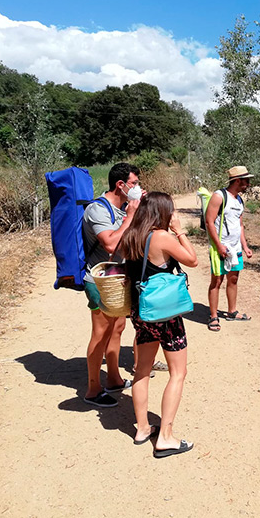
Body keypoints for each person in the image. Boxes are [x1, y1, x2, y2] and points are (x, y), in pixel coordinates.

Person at [118, 192, 198, 458]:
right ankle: (165, 437)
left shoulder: (132, 235)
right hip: (166, 315)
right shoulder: (161, 237)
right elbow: (192, 260)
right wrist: (180, 232)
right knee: (178, 372)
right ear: (163, 212)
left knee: (142, 370)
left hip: (143, 312)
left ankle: (142, 428)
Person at [82, 162, 141, 408]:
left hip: (119, 279)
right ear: (121, 185)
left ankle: (114, 378)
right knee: (100, 332)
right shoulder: (98, 210)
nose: (138, 188)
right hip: (99, 282)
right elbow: (110, 244)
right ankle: (93, 389)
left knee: (117, 328)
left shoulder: (124, 207)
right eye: (134, 184)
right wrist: (130, 216)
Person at [205, 166, 254, 332]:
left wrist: (245, 246)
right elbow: (209, 222)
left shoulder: (239, 200)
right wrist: (219, 245)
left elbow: (240, 225)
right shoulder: (219, 196)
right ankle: (213, 316)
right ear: (238, 180)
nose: (248, 183)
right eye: (246, 180)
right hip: (221, 247)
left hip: (236, 248)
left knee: (233, 279)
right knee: (217, 281)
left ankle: (232, 311)